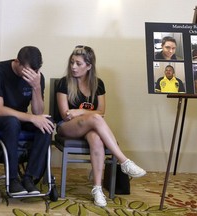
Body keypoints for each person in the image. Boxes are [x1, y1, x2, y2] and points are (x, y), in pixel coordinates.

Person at [56, 45, 146, 207]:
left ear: (89, 66)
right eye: (72, 63)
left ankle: (97, 189)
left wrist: (78, 111)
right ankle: (124, 161)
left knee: (96, 138)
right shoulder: (64, 83)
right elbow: (65, 114)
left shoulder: (98, 84)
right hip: (67, 127)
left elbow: (102, 111)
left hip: (88, 126)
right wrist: (81, 113)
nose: (73, 67)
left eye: (78, 63)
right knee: (96, 120)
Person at [0, 46, 54, 195]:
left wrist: (36, 87)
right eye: (26, 71)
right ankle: (12, 179)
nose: (30, 75)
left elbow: (38, 112)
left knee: (47, 122)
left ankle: (30, 178)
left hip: (19, 116)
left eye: (34, 72)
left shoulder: (37, 78)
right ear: (17, 62)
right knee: (12, 122)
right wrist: (32, 118)